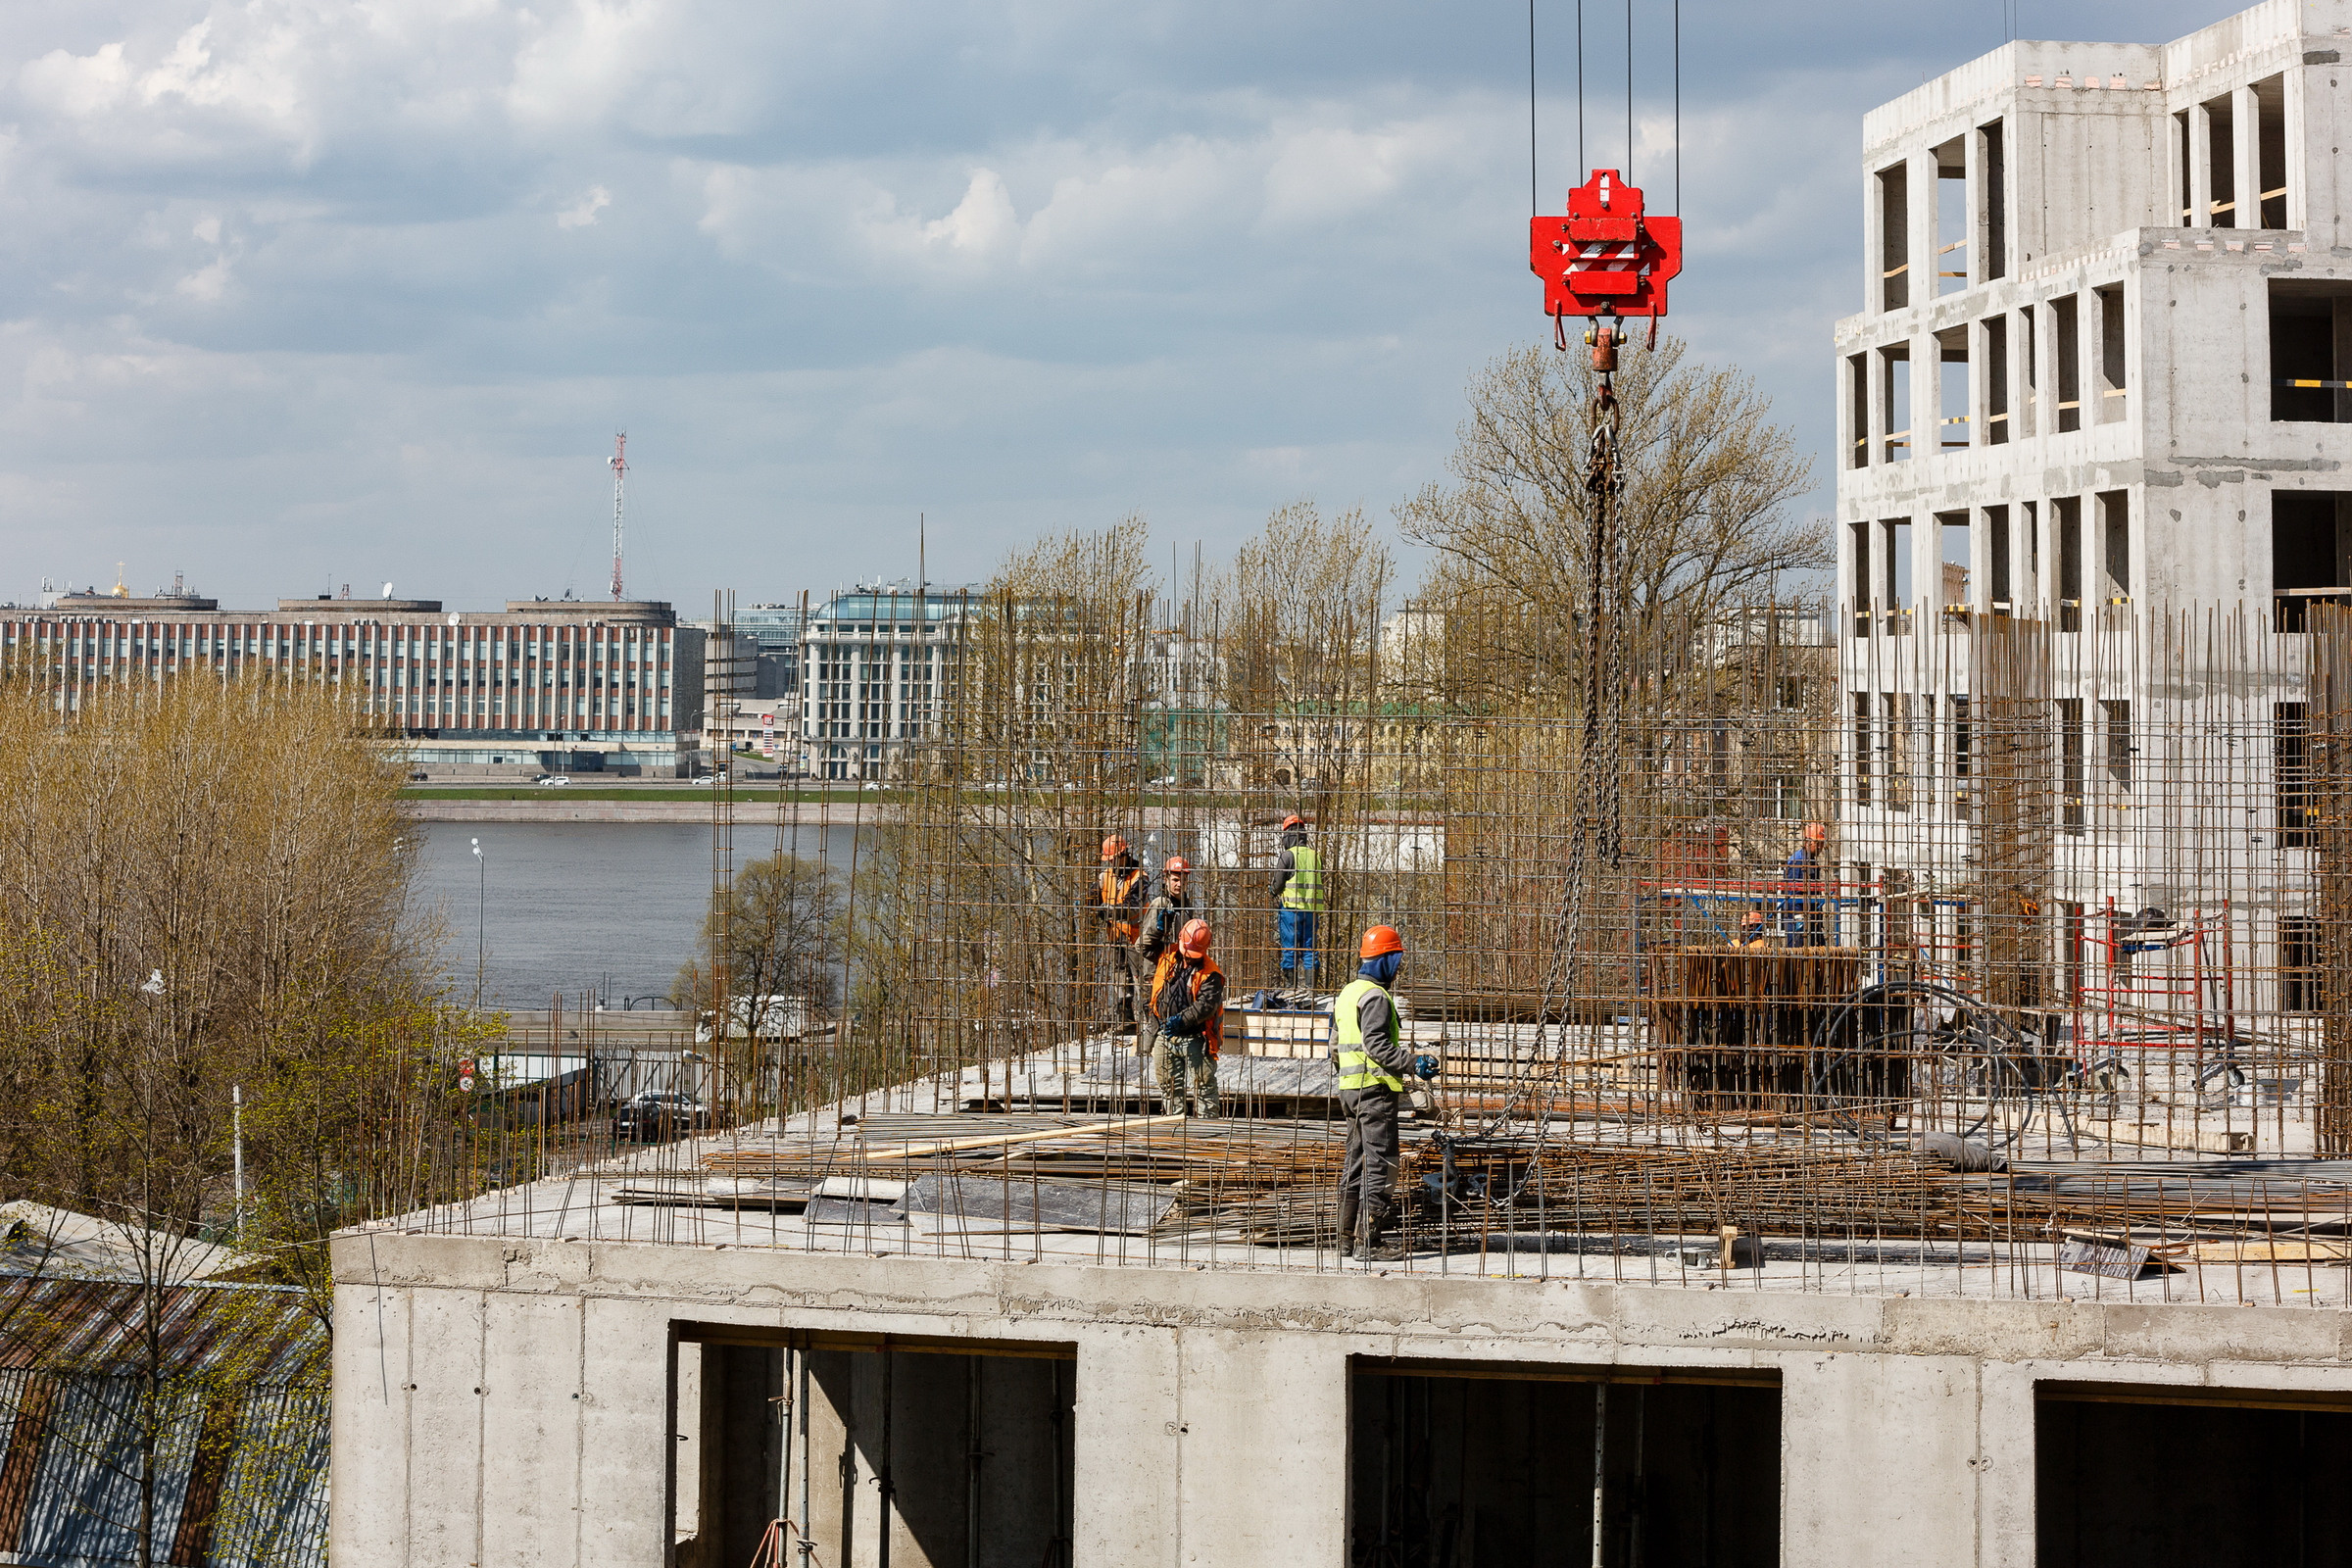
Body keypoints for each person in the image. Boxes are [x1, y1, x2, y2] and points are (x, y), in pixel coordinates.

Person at [1334, 925, 1434, 1261]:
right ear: (1384, 959)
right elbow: (1375, 1044)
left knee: (1356, 1163)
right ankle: (1370, 1243)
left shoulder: (1348, 993)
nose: (1397, 967)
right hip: (1374, 1092)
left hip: (1350, 1090)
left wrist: (1350, 1077)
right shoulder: (1376, 996)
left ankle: (1346, 1239)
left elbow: (1334, 1046)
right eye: (1395, 959)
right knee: (1380, 1164)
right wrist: (1412, 1063)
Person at [1149, 918, 1224, 1117]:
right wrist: (1157, 930)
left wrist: (1180, 1020)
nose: (1189, 958)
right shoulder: (1168, 956)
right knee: (1169, 1087)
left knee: (1204, 1087)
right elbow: (1143, 947)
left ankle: (1207, 1135)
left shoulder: (1211, 974)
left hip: (1196, 1037)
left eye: (1193, 955)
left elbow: (1205, 1006)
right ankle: (1174, 1129)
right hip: (1165, 1034)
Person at [1085, 835, 1151, 1037]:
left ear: (1124, 855)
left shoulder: (1140, 876)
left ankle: (1151, 1023)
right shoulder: (1106, 876)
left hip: (1136, 938)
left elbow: (1132, 904)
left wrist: (1109, 911)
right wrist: (1090, 904)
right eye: (1109, 859)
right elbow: (1092, 898)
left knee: (1143, 981)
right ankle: (1126, 1022)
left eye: (1114, 858)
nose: (1111, 863)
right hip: (1115, 937)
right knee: (1121, 980)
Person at [1268, 813, 1324, 986]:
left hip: (1291, 910)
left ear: (1288, 835)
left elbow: (1277, 883)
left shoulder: (1288, 856)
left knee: (1290, 948)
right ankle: (1310, 988)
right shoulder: (1315, 856)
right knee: (1309, 948)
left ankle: (1291, 987)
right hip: (1311, 911)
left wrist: (1271, 891)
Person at [1136, 857, 1195, 966]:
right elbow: (1143, 945)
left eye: (1183, 880)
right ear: (1166, 880)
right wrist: (1158, 930)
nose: (1180, 884)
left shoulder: (1186, 906)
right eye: (1175, 880)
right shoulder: (1159, 904)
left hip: (1178, 965)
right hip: (1160, 967)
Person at [1781, 820, 1831, 948]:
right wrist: (1800, 918)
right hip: (1799, 915)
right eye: (1817, 844)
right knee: (1798, 950)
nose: (1820, 848)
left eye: (1821, 844)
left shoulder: (1810, 860)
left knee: (1818, 948)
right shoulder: (1798, 861)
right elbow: (1794, 894)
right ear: (1807, 842)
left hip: (1811, 913)